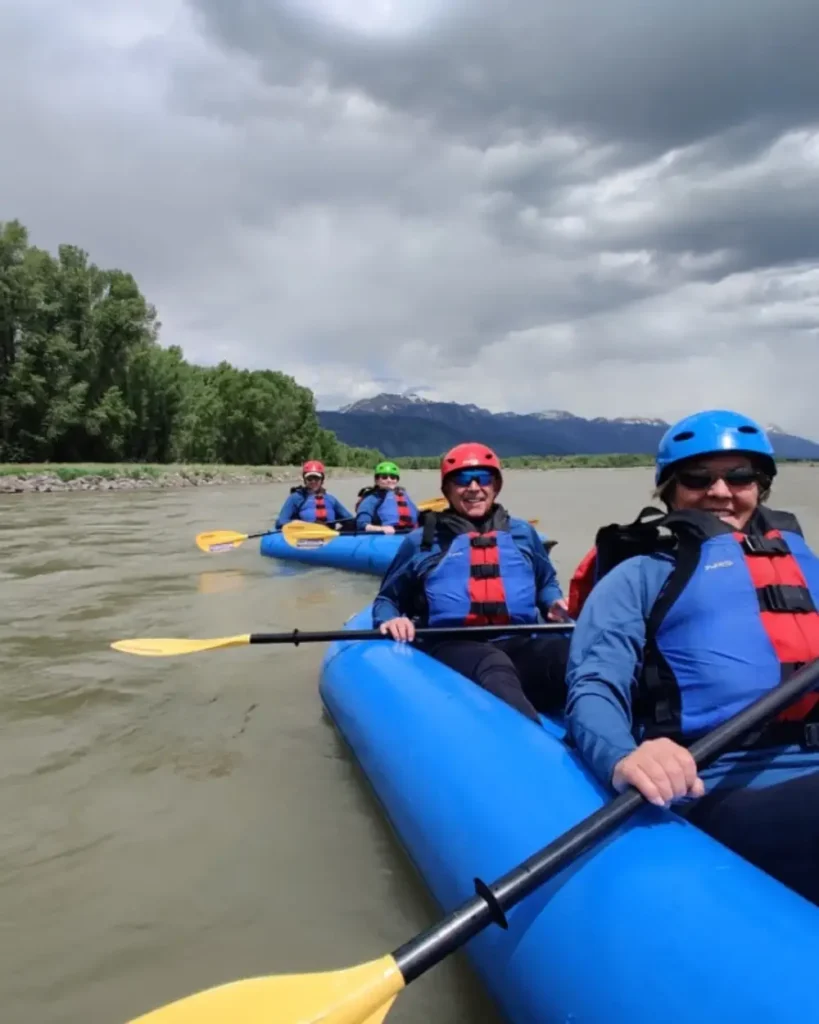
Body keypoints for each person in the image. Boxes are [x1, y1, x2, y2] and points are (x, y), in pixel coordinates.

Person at [564, 409, 819, 904]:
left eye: (740, 475)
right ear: (671, 491)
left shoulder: (806, 568)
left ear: (761, 485)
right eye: (697, 478)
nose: (721, 491)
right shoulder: (641, 575)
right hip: (716, 780)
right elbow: (594, 684)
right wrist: (626, 755)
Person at [373, 442, 572, 723]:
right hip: (454, 645)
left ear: (497, 485)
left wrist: (553, 601)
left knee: (570, 656)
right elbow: (387, 600)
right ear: (447, 489)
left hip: (520, 639)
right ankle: (533, 748)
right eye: (463, 480)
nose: (474, 488)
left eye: (484, 478)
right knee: (494, 666)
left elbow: (546, 580)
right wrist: (390, 619)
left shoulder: (523, 533)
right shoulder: (421, 541)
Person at [275, 460, 352, 529]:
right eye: (309, 479)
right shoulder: (295, 498)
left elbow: (350, 520)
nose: (313, 481)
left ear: (322, 480)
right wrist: (296, 523)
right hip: (302, 538)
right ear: (305, 480)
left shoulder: (331, 499)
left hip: (328, 538)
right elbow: (281, 522)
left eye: (316, 478)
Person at [355, 460, 420, 534]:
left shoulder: (402, 495)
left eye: (393, 477)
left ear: (397, 480)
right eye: (384, 477)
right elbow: (361, 524)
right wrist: (381, 529)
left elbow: (417, 515)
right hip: (385, 537)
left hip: (408, 533)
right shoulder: (372, 498)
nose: (389, 480)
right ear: (376, 480)